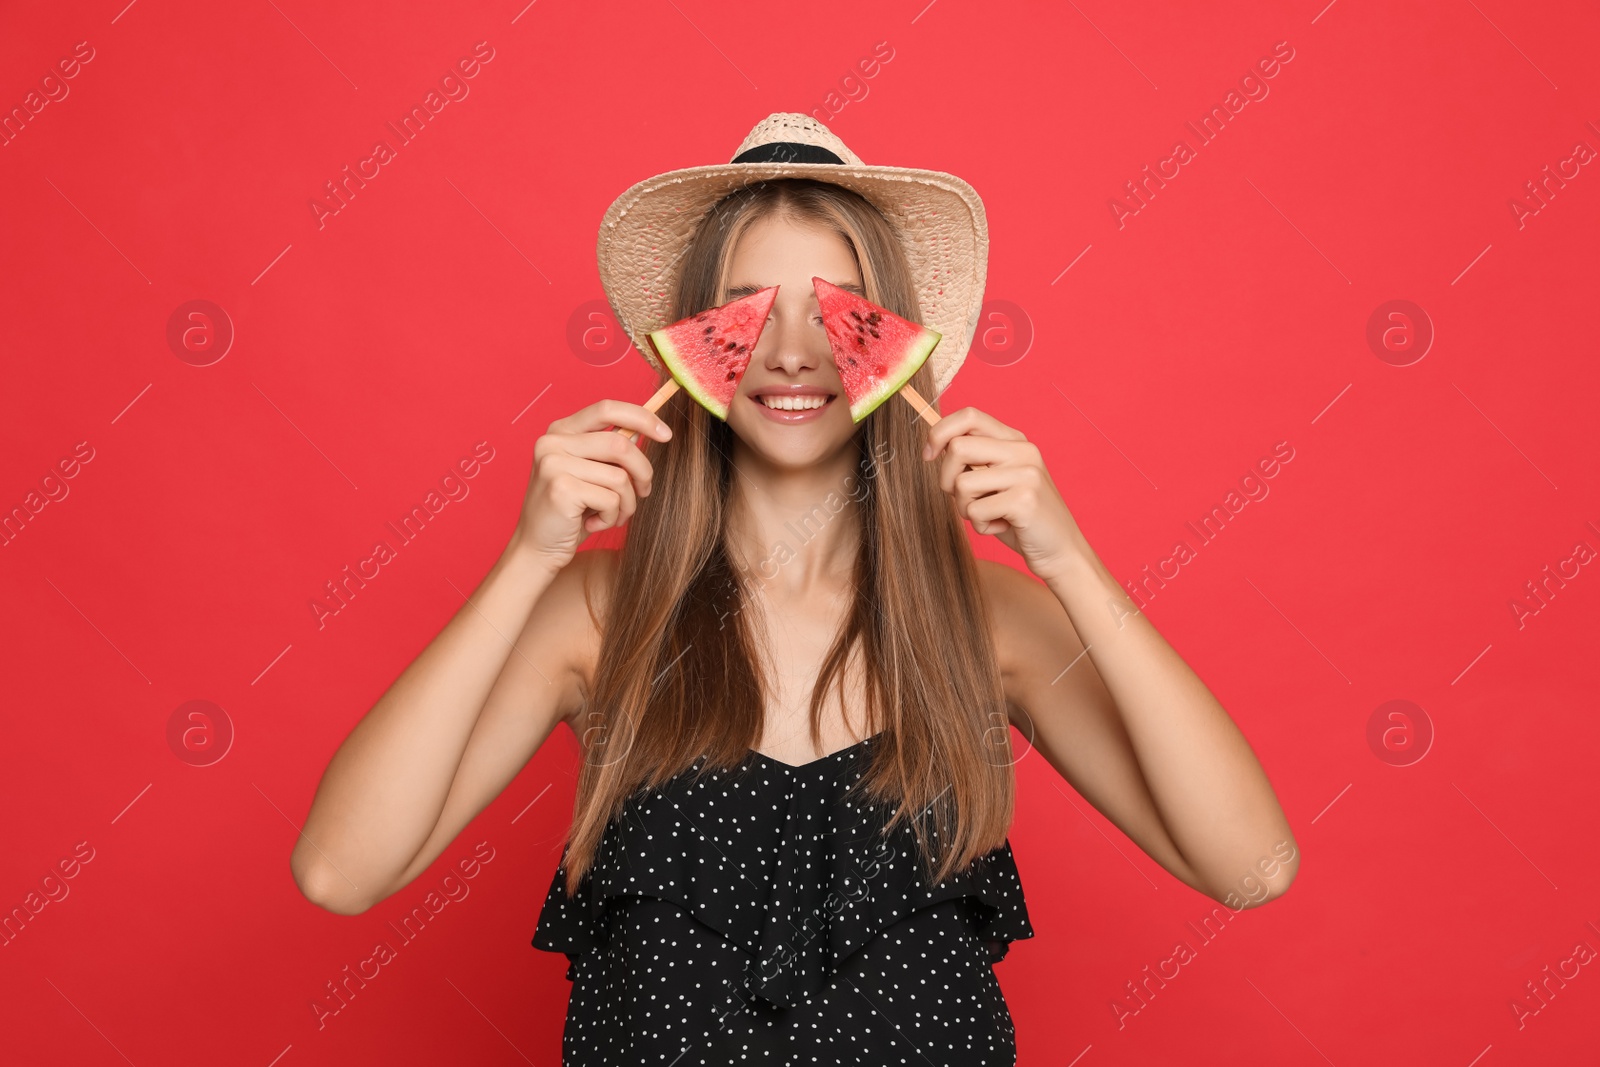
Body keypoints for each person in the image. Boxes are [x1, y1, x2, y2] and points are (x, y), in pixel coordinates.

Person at [291, 113, 1299, 1064]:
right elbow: (340, 871)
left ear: (894, 338)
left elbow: (1251, 867)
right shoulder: (597, 619)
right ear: (689, 342)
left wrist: (1069, 561)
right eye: (746, 312)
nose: (788, 349)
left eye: (835, 312)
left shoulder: (987, 623)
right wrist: (525, 559)